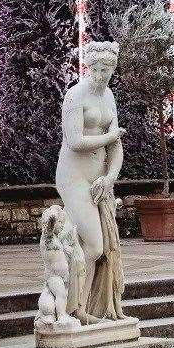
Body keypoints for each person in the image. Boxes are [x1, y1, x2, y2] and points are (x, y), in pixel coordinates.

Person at [55, 40, 126, 321]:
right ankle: (73, 308)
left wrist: (109, 178)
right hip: (74, 177)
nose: (101, 74)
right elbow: (74, 141)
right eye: (97, 68)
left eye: (107, 69)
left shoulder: (108, 96)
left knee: (97, 247)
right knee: (95, 245)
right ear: (88, 67)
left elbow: (116, 150)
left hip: (98, 179)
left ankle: (82, 309)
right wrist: (110, 136)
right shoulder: (75, 96)